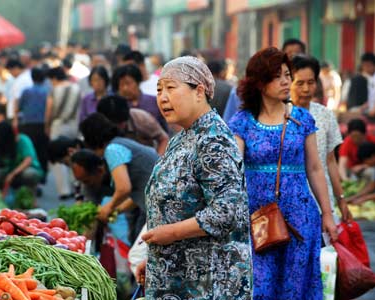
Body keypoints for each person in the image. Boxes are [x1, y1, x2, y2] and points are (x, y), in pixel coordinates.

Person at [136, 56, 252, 298]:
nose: (163, 98)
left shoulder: (213, 140)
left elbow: (225, 211)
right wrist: (157, 258)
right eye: (159, 89)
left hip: (207, 281)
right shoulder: (182, 137)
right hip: (177, 271)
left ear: (199, 91)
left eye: (170, 88)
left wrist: (171, 234)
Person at [228, 47, 338, 299]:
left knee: (295, 289)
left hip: (300, 218)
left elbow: (314, 168)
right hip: (257, 219)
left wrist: (328, 214)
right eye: (277, 76)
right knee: (261, 289)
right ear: (259, 81)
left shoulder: (302, 119)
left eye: (287, 74)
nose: (286, 81)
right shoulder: (242, 121)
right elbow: (233, 169)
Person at [80, 113, 159, 243]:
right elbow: (138, 193)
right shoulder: (123, 143)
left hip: (159, 209)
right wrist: (116, 210)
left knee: (137, 257)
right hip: (156, 206)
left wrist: (108, 207)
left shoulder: (113, 149)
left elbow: (124, 188)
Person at [290, 55, 351, 222]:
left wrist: (341, 200)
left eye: (310, 82)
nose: (306, 89)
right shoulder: (280, 116)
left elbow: (331, 161)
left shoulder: (325, 115)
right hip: (290, 205)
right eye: (299, 83)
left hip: (323, 203)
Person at [45, 66, 82, 199]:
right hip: (73, 124)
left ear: (54, 78)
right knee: (74, 154)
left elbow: (49, 110)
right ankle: (77, 184)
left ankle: (64, 190)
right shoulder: (76, 87)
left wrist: (47, 125)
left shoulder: (54, 90)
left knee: (58, 157)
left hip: (58, 124)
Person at [96, 95, 169, 155]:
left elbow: (164, 139)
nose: (120, 127)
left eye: (122, 122)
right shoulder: (100, 126)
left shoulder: (142, 119)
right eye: (115, 124)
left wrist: (157, 162)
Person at [0, 121, 43, 196]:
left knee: (29, 174)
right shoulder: (1, 144)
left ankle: (31, 195)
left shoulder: (23, 140)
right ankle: (3, 196)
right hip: (9, 171)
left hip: (24, 171)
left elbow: (28, 161)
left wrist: (12, 174)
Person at [111, 64, 167, 131]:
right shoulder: (116, 106)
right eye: (121, 85)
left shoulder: (155, 101)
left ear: (138, 82)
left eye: (128, 83)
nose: (125, 88)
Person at [16, 67, 49, 179]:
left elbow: (19, 107)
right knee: (43, 150)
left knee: (31, 150)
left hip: (28, 125)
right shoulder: (47, 91)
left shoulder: (26, 91)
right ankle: (43, 174)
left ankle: (32, 172)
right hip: (42, 125)